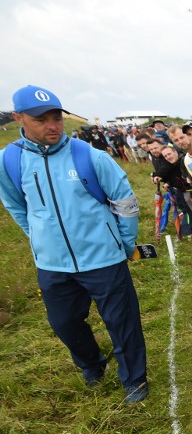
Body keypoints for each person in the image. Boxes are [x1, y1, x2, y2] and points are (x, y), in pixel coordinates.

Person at [0, 85, 148, 402]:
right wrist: (39, 238)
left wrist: (123, 243)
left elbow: (125, 202)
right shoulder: (8, 161)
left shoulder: (90, 156)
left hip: (104, 259)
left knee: (122, 323)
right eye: (41, 119)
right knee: (64, 323)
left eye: (56, 118)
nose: (52, 125)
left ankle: (134, 380)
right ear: (19, 118)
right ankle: (91, 363)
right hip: (52, 265)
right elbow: (16, 206)